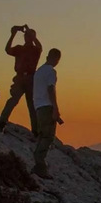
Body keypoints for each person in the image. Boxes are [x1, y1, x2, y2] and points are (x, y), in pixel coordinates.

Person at [0, 25, 42, 135]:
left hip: (31, 78)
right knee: (13, 101)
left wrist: (32, 35)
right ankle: (2, 122)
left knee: (31, 105)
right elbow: (7, 50)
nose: (27, 37)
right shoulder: (19, 49)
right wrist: (13, 34)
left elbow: (40, 47)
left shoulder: (35, 50)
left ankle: (35, 130)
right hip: (20, 77)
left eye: (29, 36)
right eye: (26, 36)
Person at [31, 48, 62, 179]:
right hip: (46, 107)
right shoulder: (51, 71)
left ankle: (38, 164)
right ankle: (40, 165)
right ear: (56, 59)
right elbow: (51, 89)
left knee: (42, 135)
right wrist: (55, 108)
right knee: (48, 137)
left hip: (38, 106)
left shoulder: (38, 72)